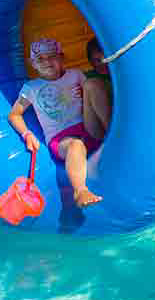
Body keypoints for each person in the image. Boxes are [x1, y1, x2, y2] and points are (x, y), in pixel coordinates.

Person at [8, 38, 105, 208]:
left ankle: (116, 133)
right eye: (40, 59)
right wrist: (27, 134)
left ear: (62, 57)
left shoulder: (75, 75)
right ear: (32, 63)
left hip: (87, 128)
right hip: (61, 139)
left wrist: (84, 91)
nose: (46, 62)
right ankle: (80, 190)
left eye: (51, 56)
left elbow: (93, 95)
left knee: (92, 83)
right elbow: (15, 114)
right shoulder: (32, 88)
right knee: (76, 146)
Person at [83, 38, 113, 141]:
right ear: (91, 62)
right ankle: (114, 136)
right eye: (97, 60)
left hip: (124, 121)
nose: (102, 64)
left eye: (106, 59)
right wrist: (29, 133)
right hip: (98, 128)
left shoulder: (119, 74)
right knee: (92, 85)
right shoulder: (86, 76)